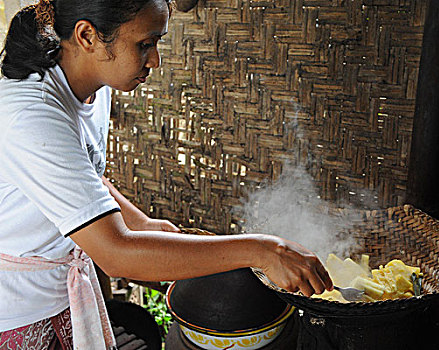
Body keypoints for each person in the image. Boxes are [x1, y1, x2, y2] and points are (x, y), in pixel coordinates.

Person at [0, 0, 333, 348]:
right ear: (88, 36)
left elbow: (81, 178)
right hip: (19, 315)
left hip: (61, 301)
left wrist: (141, 223)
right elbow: (116, 255)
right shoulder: (32, 115)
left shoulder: (88, 89)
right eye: (144, 44)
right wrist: (264, 251)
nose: (155, 59)